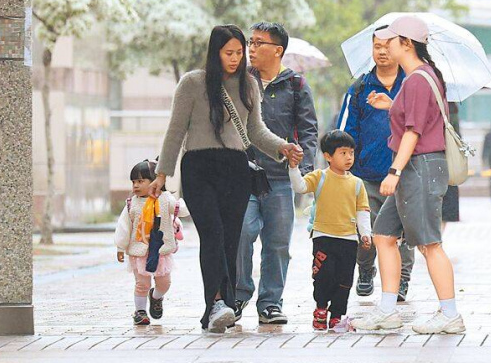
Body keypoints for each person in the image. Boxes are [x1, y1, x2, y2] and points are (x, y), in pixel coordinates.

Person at [149, 24, 302, 333]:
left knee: (231, 240)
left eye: (239, 53)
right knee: (214, 234)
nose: (235, 58)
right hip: (199, 167)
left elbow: (255, 130)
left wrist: (281, 147)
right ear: (215, 52)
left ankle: (218, 309)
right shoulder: (192, 83)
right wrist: (161, 174)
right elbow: (176, 131)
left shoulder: (248, 84)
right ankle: (218, 302)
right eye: (228, 52)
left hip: (235, 168)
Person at [352, 15, 465, 334]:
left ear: (406, 43)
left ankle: (449, 313)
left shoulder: (416, 79)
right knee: (384, 235)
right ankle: (388, 310)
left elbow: (414, 132)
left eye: (390, 41)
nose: (385, 46)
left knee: (429, 243)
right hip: (417, 169)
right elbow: (418, 116)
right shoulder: (422, 76)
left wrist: (394, 171)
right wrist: (392, 105)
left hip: (419, 169)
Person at [235, 22, 318, 325]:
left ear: (278, 50)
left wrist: (304, 171)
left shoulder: (296, 85)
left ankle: (270, 302)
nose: (251, 49)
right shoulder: (241, 82)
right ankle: (238, 295)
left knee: (278, 243)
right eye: (251, 42)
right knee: (242, 233)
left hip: (281, 178)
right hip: (244, 176)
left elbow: (309, 131)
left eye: (259, 43)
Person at [337, 25, 415, 301]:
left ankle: (402, 281)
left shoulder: (411, 84)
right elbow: (346, 131)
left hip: (404, 173)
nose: (382, 52)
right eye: (377, 46)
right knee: (365, 231)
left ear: (401, 47)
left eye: (387, 45)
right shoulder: (359, 88)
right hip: (366, 174)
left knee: (404, 233)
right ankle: (366, 269)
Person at [288, 130, 371, 331]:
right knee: (323, 275)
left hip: (349, 239)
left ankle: (336, 316)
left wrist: (366, 233)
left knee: (345, 280)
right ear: (328, 156)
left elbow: (362, 210)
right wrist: (293, 167)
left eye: (351, 153)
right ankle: (321, 309)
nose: (349, 157)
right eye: (343, 153)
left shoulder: (357, 184)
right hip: (323, 237)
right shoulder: (319, 177)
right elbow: (300, 187)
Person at [115, 160, 188, 326]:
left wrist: (182, 199)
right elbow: (124, 227)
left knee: (165, 283)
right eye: (133, 182)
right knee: (142, 284)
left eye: (141, 181)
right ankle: (140, 312)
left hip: (161, 251)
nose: (136, 186)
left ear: (155, 181)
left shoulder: (164, 199)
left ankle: (156, 296)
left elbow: (182, 210)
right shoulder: (131, 204)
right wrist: (120, 246)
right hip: (139, 251)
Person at [441, 102, 461, 231]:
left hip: (433, 156)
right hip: (450, 163)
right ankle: (438, 238)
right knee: (445, 205)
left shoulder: (431, 104)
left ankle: (435, 240)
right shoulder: (453, 108)